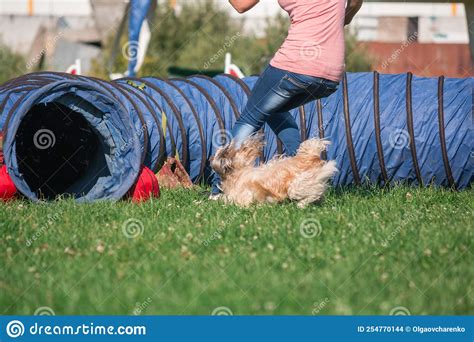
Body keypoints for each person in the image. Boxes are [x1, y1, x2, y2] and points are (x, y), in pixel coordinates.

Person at [210, 0, 363, 198]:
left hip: (295, 63)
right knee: (273, 109)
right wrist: (340, 20)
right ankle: (303, 173)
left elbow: (241, 5)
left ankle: (219, 191)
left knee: (250, 118)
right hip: (331, 72)